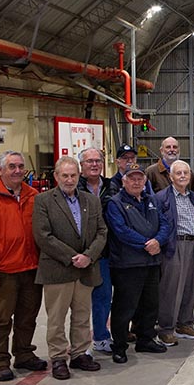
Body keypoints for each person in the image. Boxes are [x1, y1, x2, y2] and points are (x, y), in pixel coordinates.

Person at [33, 156, 107, 379]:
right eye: (64, 175)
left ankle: (79, 353)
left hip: (86, 269)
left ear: (79, 176)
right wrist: (72, 257)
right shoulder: (43, 201)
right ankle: (57, 358)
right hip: (58, 269)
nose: (69, 179)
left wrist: (88, 256)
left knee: (82, 315)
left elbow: (102, 232)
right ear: (56, 177)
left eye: (73, 175)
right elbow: (43, 236)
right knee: (56, 318)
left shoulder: (91, 201)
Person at [0, 151, 47, 382]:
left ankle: (24, 354)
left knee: (27, 317)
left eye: (21, 166)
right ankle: (0, 362)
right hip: (2, 271)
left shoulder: (34, 195)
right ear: (0, 170)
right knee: (0, 320)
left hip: (31, 269)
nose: (18, 171)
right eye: (12, 166)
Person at [105, 163, 171, 363]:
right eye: (131, 178)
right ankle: (119, 346)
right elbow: (121, 230)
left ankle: (146, 339)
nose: (136, 181)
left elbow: (165, 223)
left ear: (145, 181)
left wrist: (158, 241)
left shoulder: (151, 201)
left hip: (151, 263)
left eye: (139, 178)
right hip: (128, 265)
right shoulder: (115, 203)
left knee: (150, 305)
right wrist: (146, 244)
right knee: (125, 307)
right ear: (123, 181)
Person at [154, 160, 194, 345]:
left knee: (190, 287)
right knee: (171, 288)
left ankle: (184, 324)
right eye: (178, 173)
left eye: (186, 173)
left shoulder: (193, 197)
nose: (183, 176)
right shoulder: (162, 198)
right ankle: (166, 328)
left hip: (193, 245)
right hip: (174, 246)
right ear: (171, 176)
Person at [77, 147, 114, 354]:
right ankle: (79, 345)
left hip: (106, 251)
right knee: (80, 301)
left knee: (102, 297)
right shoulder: (75, 187)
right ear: (82, 165)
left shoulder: (111, 186)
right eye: (89, 161)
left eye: (97, 161)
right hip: (81, 253)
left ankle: (101, 337)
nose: (94, 164)